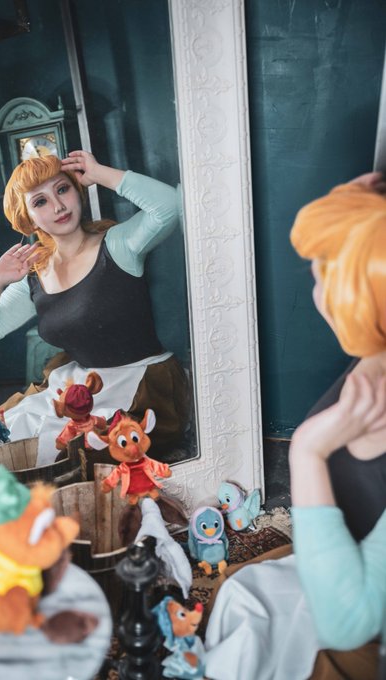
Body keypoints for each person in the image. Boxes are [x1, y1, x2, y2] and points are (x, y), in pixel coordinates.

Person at [204, 171, 386, 680]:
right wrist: (362, 215)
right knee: (239, 595)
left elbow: (347, 624)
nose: (318, 289)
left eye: (327, 271)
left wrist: (307, 451)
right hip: (345, 545)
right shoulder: (376, 353)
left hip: (358, 617)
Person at [0, 151, 189, 465]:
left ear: (78, 189)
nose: (58, 206)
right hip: (80, 385)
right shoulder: (34, 276)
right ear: (27, 218)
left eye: (62, 189)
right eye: (40, 201)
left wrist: (100, 174)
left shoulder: (117, 245)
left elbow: (171, 205)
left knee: (70, 457)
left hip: (142, 384)